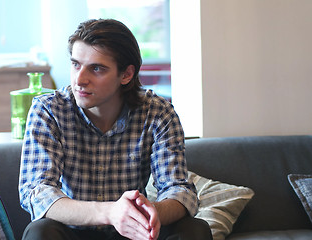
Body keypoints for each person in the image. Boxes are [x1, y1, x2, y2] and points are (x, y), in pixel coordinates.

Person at [19, 19, 211, 240]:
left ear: (126, 75)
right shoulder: (49, 110)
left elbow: (179, 190)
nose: (79, 80)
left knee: (195, 229)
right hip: (73, 230)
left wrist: (147, 213)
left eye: (96, 68)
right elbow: (37, 193)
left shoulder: (158, 113)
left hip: (133, 232)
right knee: (40, 231)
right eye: (75, 64)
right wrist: (111, 212)